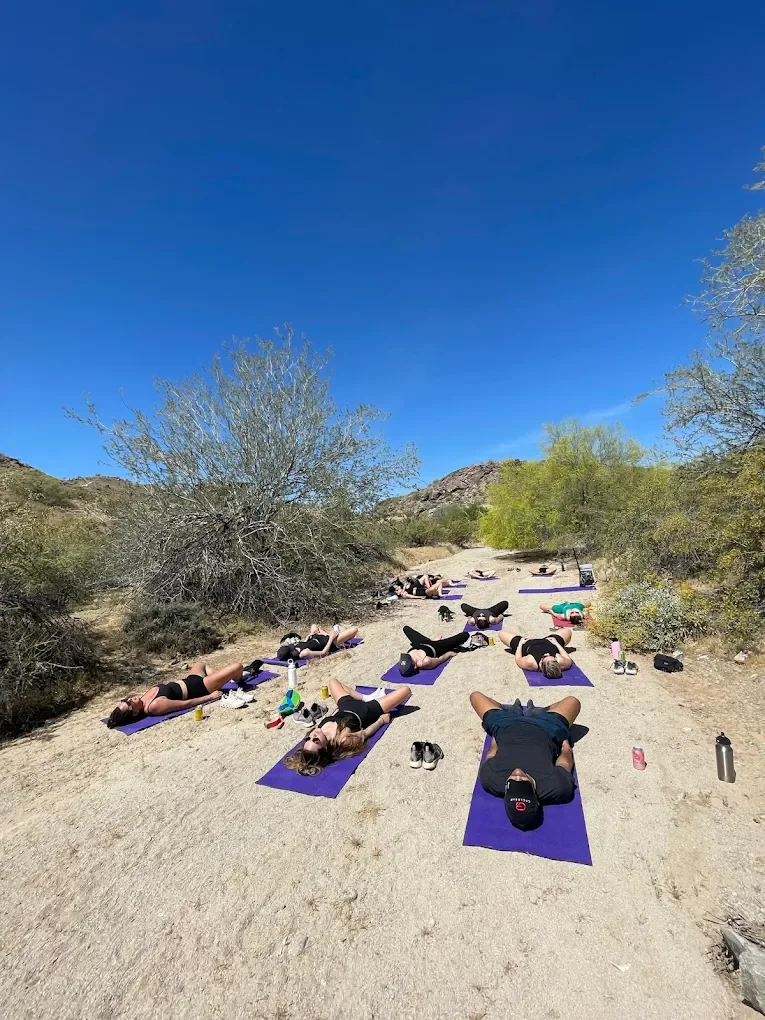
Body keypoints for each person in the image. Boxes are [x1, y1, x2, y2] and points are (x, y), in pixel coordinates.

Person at [469, 690, 581, 829]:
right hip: (547, 726)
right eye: (523, 780)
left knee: (475, 696)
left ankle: (511, 710)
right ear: (535, 794)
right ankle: (540, 712)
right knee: (573, 701)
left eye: (512, 781)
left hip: (505, 724)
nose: (517, 773)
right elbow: (565, 762)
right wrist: (565, 743)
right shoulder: (556, 786)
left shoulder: (490, 779)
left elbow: (491, 754)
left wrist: (496, 735)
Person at [284, 678, 412, 776]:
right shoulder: (342, 740)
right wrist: (381, 721)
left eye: (309, 739)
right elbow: (365, 733)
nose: (313, 735)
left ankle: (366, 697)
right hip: (368, 710)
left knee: (332, 681)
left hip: (346, 706)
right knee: (405, 690)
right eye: (316, 740)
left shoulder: (318, 732)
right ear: (325, 747)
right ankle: (370, 699)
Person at [106, 660, 251, 728]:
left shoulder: (142, 700)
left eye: (126, 700)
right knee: (237, 666)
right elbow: (185, 704)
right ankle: (237, 678)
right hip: (201, 687)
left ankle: (226, 678)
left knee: (200, 663)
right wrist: (209, 697)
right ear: (135, 713)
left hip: (191, 679)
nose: (130, 699)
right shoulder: (154, 706)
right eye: (129, 704)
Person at [497, 627, 574, 680]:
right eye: (552, 657)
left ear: (541, 664)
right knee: (567, 631)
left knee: (501, 634)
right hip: (549, 641)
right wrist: (557, 644)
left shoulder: (531, 662)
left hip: (527, 644)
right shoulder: (561, 662)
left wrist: (520, 644)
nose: (547, 654)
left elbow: (518, 659)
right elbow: (568, 659)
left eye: (545, 657)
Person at [397, 625, 471, 676]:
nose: (408, 657)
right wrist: (449, 654)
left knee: (406, 628)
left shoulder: (407, 658)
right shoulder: (425, 662)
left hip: (420, 643)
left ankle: (433, 640)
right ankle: (435, 641)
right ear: (415, 666)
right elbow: (439, 659)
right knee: (464, 635)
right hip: (436, 646)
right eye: (410, 660)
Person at [276, 624, 359, 662]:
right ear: (291, 653)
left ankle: (331, 633)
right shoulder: (304, 653)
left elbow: (305, 644)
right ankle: (335, 633)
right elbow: (323, 653)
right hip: (329, 642)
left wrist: (308, 637)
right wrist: (331, 639)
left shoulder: (294, 647)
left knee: (314, 626)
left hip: (315, 638)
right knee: (354, 629)